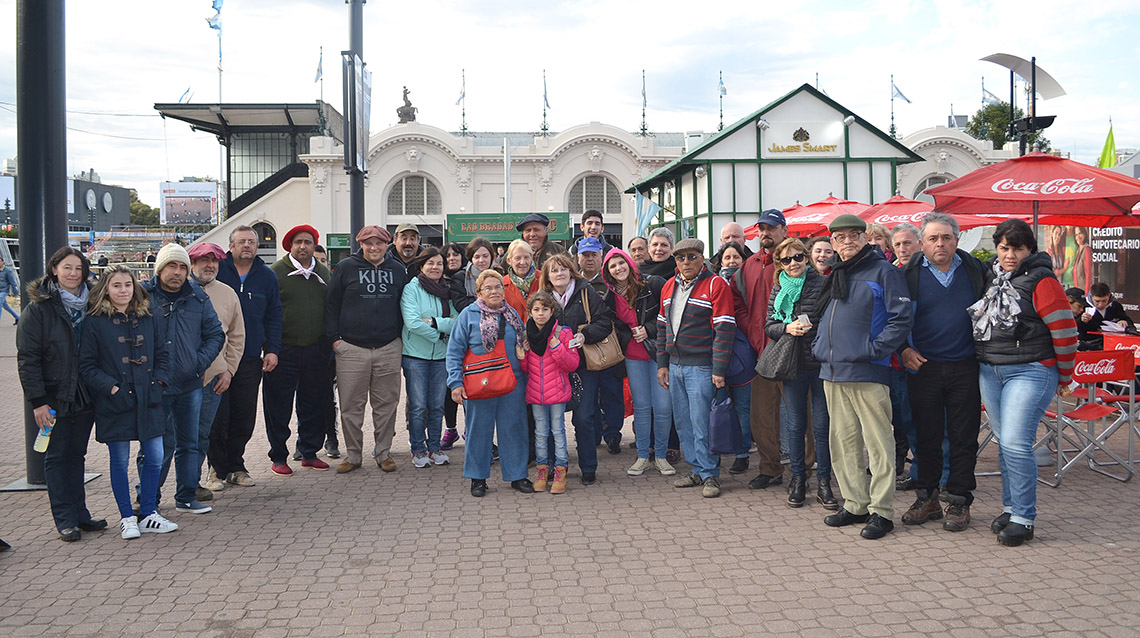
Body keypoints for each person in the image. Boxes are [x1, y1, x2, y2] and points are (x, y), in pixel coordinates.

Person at [969, 218, 1078, 547]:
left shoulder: (1042, 279)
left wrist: (1065, 375)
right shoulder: (992, 276)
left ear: (1030, 249)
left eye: (1017, 248)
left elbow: (1065, 331)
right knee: (1005, 442)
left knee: (1016, 442)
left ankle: (1024, 518)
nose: (1010, 255)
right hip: (991, 369)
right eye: (1004, 248)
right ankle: (1011, 507)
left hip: (1031, 369)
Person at [813, 214, 913, 540]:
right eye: (840, 237)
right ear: (833, 242)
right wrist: (818, 346)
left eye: (853, 235)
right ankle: (855, 503)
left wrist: (873, 350)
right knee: (843, 442)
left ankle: (881, 511)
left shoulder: (884, 271)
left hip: (867, 370)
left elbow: (901, 319)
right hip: (833, 371)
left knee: (878, 444)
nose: (847, 242)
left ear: (864, 237)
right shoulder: (835, 273)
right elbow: (825, 318)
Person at [897, 213, 988, 532]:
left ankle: (959, 501)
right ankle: (927, 498)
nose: (940, 244)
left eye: (946, 237)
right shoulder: (907, 275)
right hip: (924, 366)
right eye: (933, 238)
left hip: (966, 365)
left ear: (957, 240)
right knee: (926, 437)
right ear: (922, 243)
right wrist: (903, 349)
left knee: (964, 437)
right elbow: (892, 317)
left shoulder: (976, 270)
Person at [78, 266, 178, 539]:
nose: (123, 290)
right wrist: (111, 388)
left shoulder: (149, 317)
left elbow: (163, 355)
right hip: (115, 401)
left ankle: (148, 513)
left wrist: (159, 384)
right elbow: (86, 366)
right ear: (106, 289)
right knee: (119, 460)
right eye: (117, 285)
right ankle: (126, 517)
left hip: (149, 397)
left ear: (135, 287)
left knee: (155, 456)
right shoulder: (95, 321)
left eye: (128, 285)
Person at [16, 247, 102, 542]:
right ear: (54, 269)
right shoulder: (39, 309)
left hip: (85, 392)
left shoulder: (93, 303)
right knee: (56, 456)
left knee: (77, 455)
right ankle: (65, 519)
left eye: (78, 268)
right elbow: (28, 359)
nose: (73, 274)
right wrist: (38, 401)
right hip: (54, 395)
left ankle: (81, 514)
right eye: (67, 268)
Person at [141, 243, 224, 515]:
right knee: (156, 445)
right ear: (160, 269)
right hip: (155, 385)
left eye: (181, 267)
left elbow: (215, 334)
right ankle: (147, 500)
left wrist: (198, 363)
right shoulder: (143, 296)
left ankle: (186, 496)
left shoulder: (197, 297)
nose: (177, 272)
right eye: (171, 266)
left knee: (190, 443)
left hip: (190, 383)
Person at [656, 238, 736, 498]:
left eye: (692, 256)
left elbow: (725, 329)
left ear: (702, 258)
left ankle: (711, 473)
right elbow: (661, 328)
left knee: (703, 424)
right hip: (675, 365)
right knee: (684, 423)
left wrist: (719, 369)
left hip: (702, 367)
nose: (686, 262)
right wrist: (662, 363)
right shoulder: (669, 285)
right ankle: (697, 469)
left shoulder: (716, 284)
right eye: (681, 258)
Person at [326, 225, 409, 474]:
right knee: (351, 406)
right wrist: (335, 340)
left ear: (387, 244)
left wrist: (399, 338)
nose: (374, 247)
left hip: (388, 347)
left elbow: (405, 305)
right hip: (351, 348)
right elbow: (331, 305)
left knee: (387, 405)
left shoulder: (397, 270)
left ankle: (383, 453)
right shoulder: (346, 268)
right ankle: (353, 455)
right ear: (360, 244)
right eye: (368, 243)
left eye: (379, 243)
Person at [446, 269, 533, 496]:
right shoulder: (468, 315)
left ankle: (517, 475)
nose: (494, 291)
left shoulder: (512, 314)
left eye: (498, 287)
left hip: (512, 382)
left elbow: (524, 346)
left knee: (514, 429)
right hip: (479, 382)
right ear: (479, 293)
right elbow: (454, 351)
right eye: (488, 288)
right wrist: (455, 383)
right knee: (478, 431)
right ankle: (477, 478)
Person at [764, 238, 834, 509]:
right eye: (786, 259)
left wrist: (814, 330)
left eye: (798, 257)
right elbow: (769, 325)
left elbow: (831, 320)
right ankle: (798, 479)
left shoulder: (822, 282)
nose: (793, 263)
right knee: (795, 425)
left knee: (822, 426)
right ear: (779, 264)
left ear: (807, 258)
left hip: (820, 363)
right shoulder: (779, 287)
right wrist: (787, 328)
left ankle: (825, 482)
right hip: (792, 365)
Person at [212, 225, 282, 488]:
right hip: (218, 359)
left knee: (244, 415)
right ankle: (216, 469)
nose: (247, 246)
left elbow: (274, 315)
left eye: (252, 242)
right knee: (218, 416)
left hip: (251, 358)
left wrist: (272, 349)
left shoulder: (267, 276)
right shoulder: (218, 271)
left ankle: (236, 466)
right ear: (230, 246)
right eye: (241, 242)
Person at [539, 252, 615, 485]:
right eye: (554, 270)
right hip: (553, 367)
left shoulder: (585, 292)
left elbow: (605, 322)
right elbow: (532, 328)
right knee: (551, 419)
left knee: (583, 417)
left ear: (571, 271)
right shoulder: (542, 298)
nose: (559, 273)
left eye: (563, 269)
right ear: (547, 276)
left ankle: (588, 467)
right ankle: (553, 465)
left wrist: (585, 335)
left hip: (583, 365)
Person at [265, 225, 334, 475]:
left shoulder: (323, 274)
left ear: (314, 246)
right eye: (298, 242)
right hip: (283, 349)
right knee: (278, 406)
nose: (303, 246)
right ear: (290, 246)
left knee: (313, 403)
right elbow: (267, 312)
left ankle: (309, 452)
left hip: (316, 349)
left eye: (308, 242)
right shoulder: (275, 273)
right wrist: (269, 347)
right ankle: (278, 456)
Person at [602, 248, 674, 477]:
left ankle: (661, 456)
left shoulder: (652, 283)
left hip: (658, 353)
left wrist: (649, 329)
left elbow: (669, 311)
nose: (618, 268)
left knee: (662, 407)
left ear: (630, 263)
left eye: (621, 263)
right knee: (641, 408)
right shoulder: (609, 297)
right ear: (608, 272)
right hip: (633, 356)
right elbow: (614, 326)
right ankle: (643, 455)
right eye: (613, 266)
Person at [188, 242, 245, 495]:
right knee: (172, 439)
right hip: (178, 379)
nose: (210, 265)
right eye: (204, 260)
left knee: (202, 435)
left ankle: (192, 485)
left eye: (214, 261)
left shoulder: (228, 294)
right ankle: (154, 493)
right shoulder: (178, 290)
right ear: (192, 263)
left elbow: (236, 336)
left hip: (213, 378)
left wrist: (229, 369)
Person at [738, 209, 788, 490]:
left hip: (790, 352)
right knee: (762, 417)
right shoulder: (750, 264)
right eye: (762, 229)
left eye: (771, 228)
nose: (765, 233)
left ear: (784, 230)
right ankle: (770, 468)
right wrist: (749, 328)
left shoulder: (794, 260)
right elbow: (737, 300)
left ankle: (805, 471)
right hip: (761, 353)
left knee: (800, 416)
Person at [401, 247, 457, 468]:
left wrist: (434, 322)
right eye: (431, 263)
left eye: (439, 263)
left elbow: (456, 321)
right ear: (421, 266)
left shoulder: (446, 290)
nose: (435, 267)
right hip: (416, 356)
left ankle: (435, 448)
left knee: (437, 406)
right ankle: (418, 449)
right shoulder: (412, 289)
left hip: (442, 357)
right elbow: (413, 322)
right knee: (418, 406)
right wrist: (440, 334)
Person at [519, 291, 579, 494]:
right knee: (540, 433)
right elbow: (527, 369)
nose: (540, 313)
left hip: (557, 392)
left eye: (545, 309)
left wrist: (557, 347)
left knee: (558, 431)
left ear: (552, 311)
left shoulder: (562, 333)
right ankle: (542, 471)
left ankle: (561, 471)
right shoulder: (527, 335)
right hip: (536, 393)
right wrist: (523, 355)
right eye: (536, 310)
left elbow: (573, 363)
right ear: (530, 312)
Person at [577, 236, 624, 453]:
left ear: (601, 257)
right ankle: (594, 434)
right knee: (588, 397)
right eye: (585, 255)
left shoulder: (610, 281)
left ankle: (613, 434)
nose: (589, 259)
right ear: (578, 258)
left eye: (594, 255)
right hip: (584, 349)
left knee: (612, 393)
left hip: (609, 346)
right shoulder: (573, 283)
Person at [713, 241, 755, 474]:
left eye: (735, 257)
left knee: (743, 408)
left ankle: (742, 453)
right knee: (718, 406)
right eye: (727, 257)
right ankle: (717, 450)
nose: (731, 261)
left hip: (744, 353)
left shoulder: (749, 283)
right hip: (717, 353)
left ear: (743, 260)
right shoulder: (713, 283)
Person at [1075, 281, 1133, 350]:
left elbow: (1129, 322)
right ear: (1091, 296)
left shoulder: (1116, 306)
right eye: (1097, 301)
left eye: (1104, 301)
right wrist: (1082, 321)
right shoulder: (1083, 307)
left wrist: (1123, 321)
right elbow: (1074, 325)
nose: (1101, 304)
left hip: (1112, 344)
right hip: (1089, 344)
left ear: (1109, 296)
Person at [452, 237, 494, 313]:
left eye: (485, 256)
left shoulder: (499, 274)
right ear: (471, 258)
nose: (481, 260)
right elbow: (460, 304)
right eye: (477, 257)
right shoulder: (460, 277)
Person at [502, 239, 540, 321]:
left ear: (531, 258)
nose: (522, 262)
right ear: (509, 260)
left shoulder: (543, 279)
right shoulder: (502, 284)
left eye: (526, 257)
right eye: (518, 258)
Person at [1071, 227, 1092, 292]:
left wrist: (1087, 293)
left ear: (1084, 234)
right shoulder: (1078, 251)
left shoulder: (1086, 250)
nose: (1078, 237)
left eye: (1080, 233)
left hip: (1084, 291)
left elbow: (1088, 274)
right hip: (1077, 290)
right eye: (1076, 235)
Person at [0, 255, 19, 324]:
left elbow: (12, 282)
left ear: (3, 262)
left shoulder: (7, 271)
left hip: (4, 290)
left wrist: (16, 292)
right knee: (5, 306)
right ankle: (17, 317)